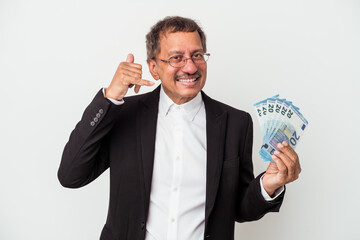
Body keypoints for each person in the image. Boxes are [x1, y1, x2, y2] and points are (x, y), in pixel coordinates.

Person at [58, 16, 301, 240]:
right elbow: (71, 175)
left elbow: (236, 209)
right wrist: (110, 98)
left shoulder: (235, 122)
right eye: (176, 58)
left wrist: (268, 186)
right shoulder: (123, 114)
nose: (191, 67)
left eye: (197, 55)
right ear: (154, 67)